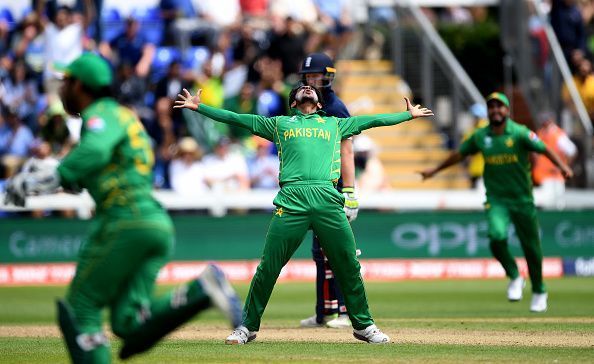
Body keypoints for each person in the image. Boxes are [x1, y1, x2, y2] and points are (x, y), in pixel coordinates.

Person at [4, 53, 242, 363]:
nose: (61, 89)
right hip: (154, 223)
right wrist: (55, 172)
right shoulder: (125, 117)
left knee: (82, 307)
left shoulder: (101, 114)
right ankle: (201, 289)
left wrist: (54, 175)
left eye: (65, 82)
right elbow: (100, 166)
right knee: (127, 322)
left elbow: (95, 151)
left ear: (80, 85)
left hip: (124, 220)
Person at [174, 84, 434, 344]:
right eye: (301, 89)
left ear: (319, 103)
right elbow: (236, 118)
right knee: (268, 267)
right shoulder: (279, 124)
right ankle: (247, 327)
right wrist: (200, 108)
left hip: (327, 200)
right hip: (291, 201)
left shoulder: (335, 124)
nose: (307, 88)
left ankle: (364, 325)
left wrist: (407, 115)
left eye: (310, 89)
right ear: (294, 103)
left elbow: (374, 120)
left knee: (348, 265)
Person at [419, 92, 573, 313]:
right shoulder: (481, 136)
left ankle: (539, 290)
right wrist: (434, 170)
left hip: (522, 199)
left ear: (507, 110)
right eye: (491, 107)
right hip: (497, 199)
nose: (495, 111)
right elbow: (459, 154)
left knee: (531, 248)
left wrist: (563, 166)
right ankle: (514, 274)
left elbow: (544, 148)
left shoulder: (520, 133)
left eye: (500, 107)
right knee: (496, 236)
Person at [297, 52, 358, 329]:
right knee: (320, 255)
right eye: (308, 76)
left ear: (327, 76)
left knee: (338, 253)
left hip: (333, 190)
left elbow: (347, 150)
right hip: (315, 190)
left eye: (316, 75)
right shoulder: (306, 103)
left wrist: (349, 192)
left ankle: (346, 312)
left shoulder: (335, 108)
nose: (312, 80)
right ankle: (324, 313)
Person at [532, 111, 577, 210]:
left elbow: (572, 151)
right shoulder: (540, 133)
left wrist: (563, 166)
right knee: (545, 204)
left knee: (555, 204)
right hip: (543, 176)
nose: (544, 122)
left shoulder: (558, 135)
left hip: (555, 177)